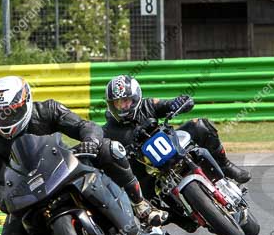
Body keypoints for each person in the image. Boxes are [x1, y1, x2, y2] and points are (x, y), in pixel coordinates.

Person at [0, 75, 167, 235]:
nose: (5, 119)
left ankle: (140, 203)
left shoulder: (47, 110)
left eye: (12, 111)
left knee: (108, 149)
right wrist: (9, 203)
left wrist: (91, 142)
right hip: (30, 190)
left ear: (26, 102)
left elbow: (85, 126)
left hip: (62, 166)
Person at [102, 74, 251, 187]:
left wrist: (180, 102)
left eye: (126, 101)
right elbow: (99, 147)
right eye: (118, 103)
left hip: (170, 145)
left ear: (136, 98)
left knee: (199, 125)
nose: (123, 107)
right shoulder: (109, 129)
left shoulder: (147, 105)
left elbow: (169, 104)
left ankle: (225, 165)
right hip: (145, 171)